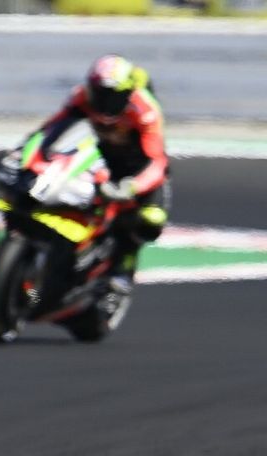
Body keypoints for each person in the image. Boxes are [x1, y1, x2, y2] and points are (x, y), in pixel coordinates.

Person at [30, 54, 170, 292]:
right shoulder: (81, 97)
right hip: (99, 159)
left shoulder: (145, 111)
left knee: (149, 220)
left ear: (128, 92)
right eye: (100, 93)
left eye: (113, 96)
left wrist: (132, 186)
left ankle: (122, 272)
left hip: (136, 170)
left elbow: (157, 163)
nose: (105, 102)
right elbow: (50, 131)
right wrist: (30, 157)